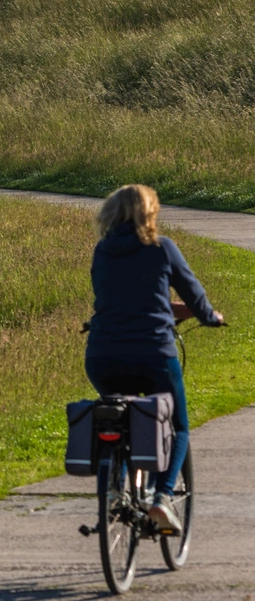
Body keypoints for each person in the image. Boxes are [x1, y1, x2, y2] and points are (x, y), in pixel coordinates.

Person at [85, 184, 223, 533]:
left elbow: (122, 299)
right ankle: (161, 498)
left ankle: (119, 485)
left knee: (117, 415)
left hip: (103, 355)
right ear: (149, 212)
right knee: (178, 427)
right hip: (152, 354)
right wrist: (209, 317)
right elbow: (194, 294)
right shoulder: (162, 249)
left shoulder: (102, 251)